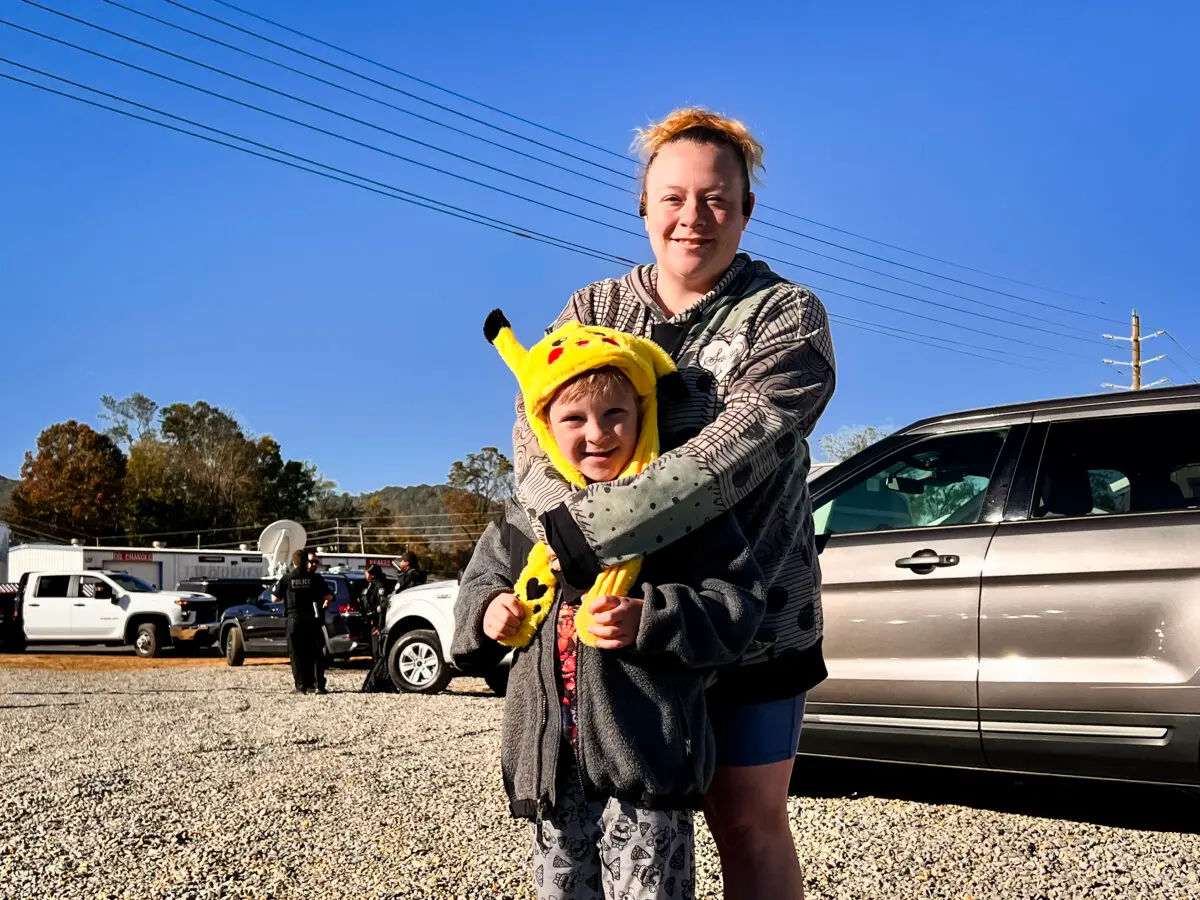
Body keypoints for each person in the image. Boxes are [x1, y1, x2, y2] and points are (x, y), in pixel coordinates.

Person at [513, 108, 836, 900]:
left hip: (751, 618)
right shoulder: (590, 309)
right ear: (645, 208)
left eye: (716, 199)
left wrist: (583, 535)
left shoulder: (788, 316)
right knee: (614, 821)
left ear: (746, 210)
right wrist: (561, 531)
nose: (694, 217)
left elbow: (728, 457)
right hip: (613, 633)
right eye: (674, 198)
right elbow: (532, 435)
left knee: (747, 820)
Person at [453, 314, 765, 900]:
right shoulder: (523, 522)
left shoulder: (681, 514)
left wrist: (649, 618)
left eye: (615, 414)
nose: (597, 433)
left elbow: (737, 603)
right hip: (549, 766)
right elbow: (476, 589)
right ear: (544, 427)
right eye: (573, 418)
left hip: (644, 767)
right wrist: (488, 612)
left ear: (643, 416)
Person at [272, 548, 333, 695]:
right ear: (306, 561)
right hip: (311, 619)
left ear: (293, 562)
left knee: (296, 653)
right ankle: (318, 685)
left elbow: (275, 598)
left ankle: (301, 686)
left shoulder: (287, 578)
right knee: (315, 652)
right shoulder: (315, 578)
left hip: (294, 619)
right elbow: (328, 596)